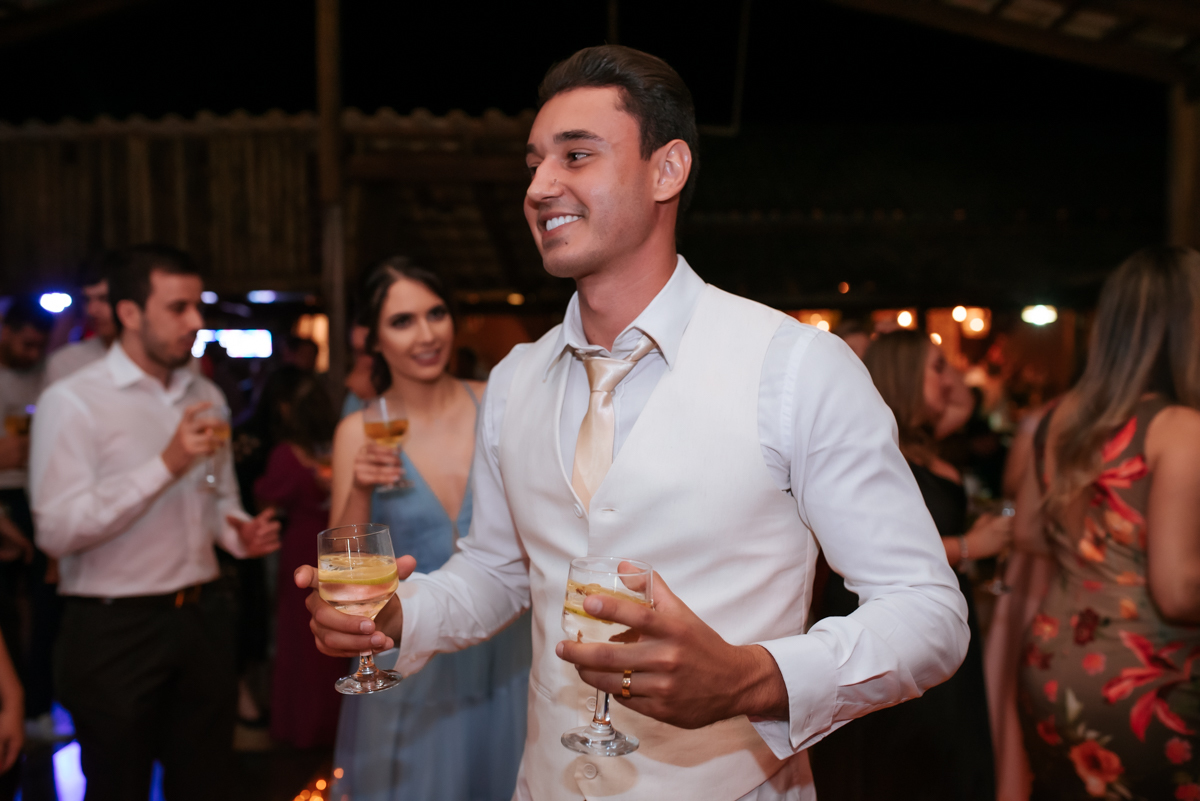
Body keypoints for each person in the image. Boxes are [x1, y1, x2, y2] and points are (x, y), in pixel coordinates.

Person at [302, 46, 968, 800]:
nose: (539, 186)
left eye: (576, 156)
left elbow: (928, 613)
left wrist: (755, 676)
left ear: (667, 169)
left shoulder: (796, 367)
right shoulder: (518, 379)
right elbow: (499, 568)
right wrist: (398, 612)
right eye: (534, 163)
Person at [28, 244, 280, 800]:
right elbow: (56, 530)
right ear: (129, 314)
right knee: (118, 785)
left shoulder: (205, 393)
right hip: (114, 629)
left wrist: (236, 531)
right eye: (179, 307)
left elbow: (217, 497)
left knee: (206, 783)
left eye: (198, 306)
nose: (196, 322)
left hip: (203, 617)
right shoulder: (73, 401)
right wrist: (165, 465)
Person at [329, 257, 530, 800]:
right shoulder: (359, 429)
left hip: (505, 643)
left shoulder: (494, 403)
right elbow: (343, 567)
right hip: (408, 649)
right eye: (402, 321)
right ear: (371, 337)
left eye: (435, 313)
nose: (426, 335)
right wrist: (361, 486)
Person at [1014, 246, 1200, 801]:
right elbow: (1178, 591)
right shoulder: (1181, 429)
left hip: (1050, 668)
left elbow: (1025, 533)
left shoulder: (1058, 418)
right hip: (1149, 685)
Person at [809, 329, 1011, 801]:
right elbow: (871, 549)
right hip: (890, 617)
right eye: (937, 368)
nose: (952, 381)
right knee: (907, 761)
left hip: (941, 614)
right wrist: (968, 545)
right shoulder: (878, 454)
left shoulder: (925, 446)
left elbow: (961, 402)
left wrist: (938, 364)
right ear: (902, 375)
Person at [253, 368, 344, 749]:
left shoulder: (287, 456)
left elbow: (266, 495)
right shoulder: (338, 450)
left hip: (302, 549)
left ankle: (298, 728)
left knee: (299, 636)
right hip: (336, 549)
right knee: (332, 638)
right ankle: (330, 725)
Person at [0, 297, 55, 736]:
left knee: (42, 602)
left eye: (40, 346)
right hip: (4, 499)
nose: (32, 353)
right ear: (5, 330)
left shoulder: (44, 377)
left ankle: (34, 706)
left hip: (34, 496)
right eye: (25, 343)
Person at [45, 255, 118, 385]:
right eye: (86, 300)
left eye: (104, 298)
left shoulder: (155, 356)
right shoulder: (65, 362)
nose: (91, 310)